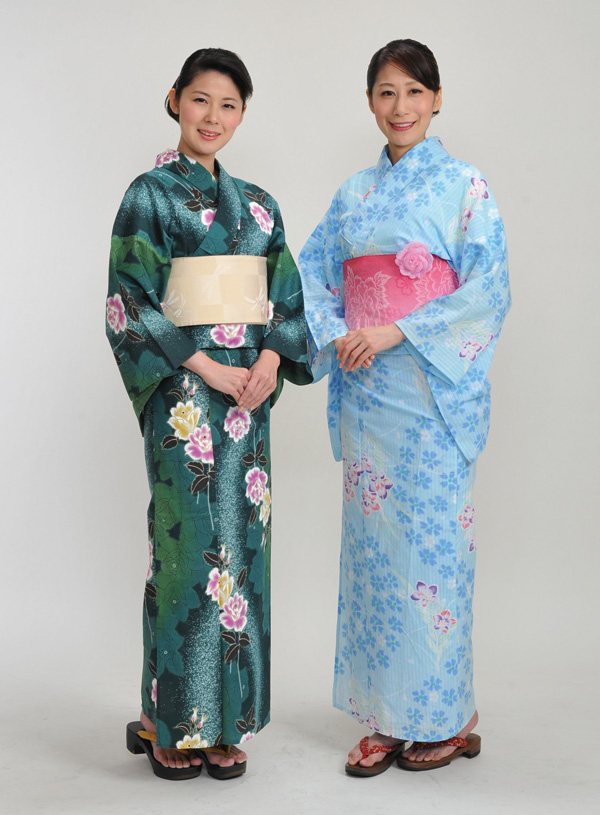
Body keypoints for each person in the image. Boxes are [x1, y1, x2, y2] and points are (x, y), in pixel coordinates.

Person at [298, 39, 510, 776]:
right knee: (376, 559)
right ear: (369, 102)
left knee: (433, 555)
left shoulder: (464, 184)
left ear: (437, 99)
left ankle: (445, 718)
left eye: (414, 91)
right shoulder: (353, 193)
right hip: (367, 392)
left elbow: (489, 288)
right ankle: (386, 719)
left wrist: (397, 331)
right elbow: (312, 274)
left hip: (429, 393)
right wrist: (338, 332)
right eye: (386, 92)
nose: (400, 107)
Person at [106, 48, 311, 781]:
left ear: (242, 114)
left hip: (247, 399)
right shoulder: (149, 195)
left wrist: (270, 361)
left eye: (228, 105)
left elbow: (287, 299)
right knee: (188, 551)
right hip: (185, 398)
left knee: (243, 553)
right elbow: (130, 300)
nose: (213, 117)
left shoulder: (259, 205)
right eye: (200, 100)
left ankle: (225, 720)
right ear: (175, 100)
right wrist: (205, 365)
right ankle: (173, 719)